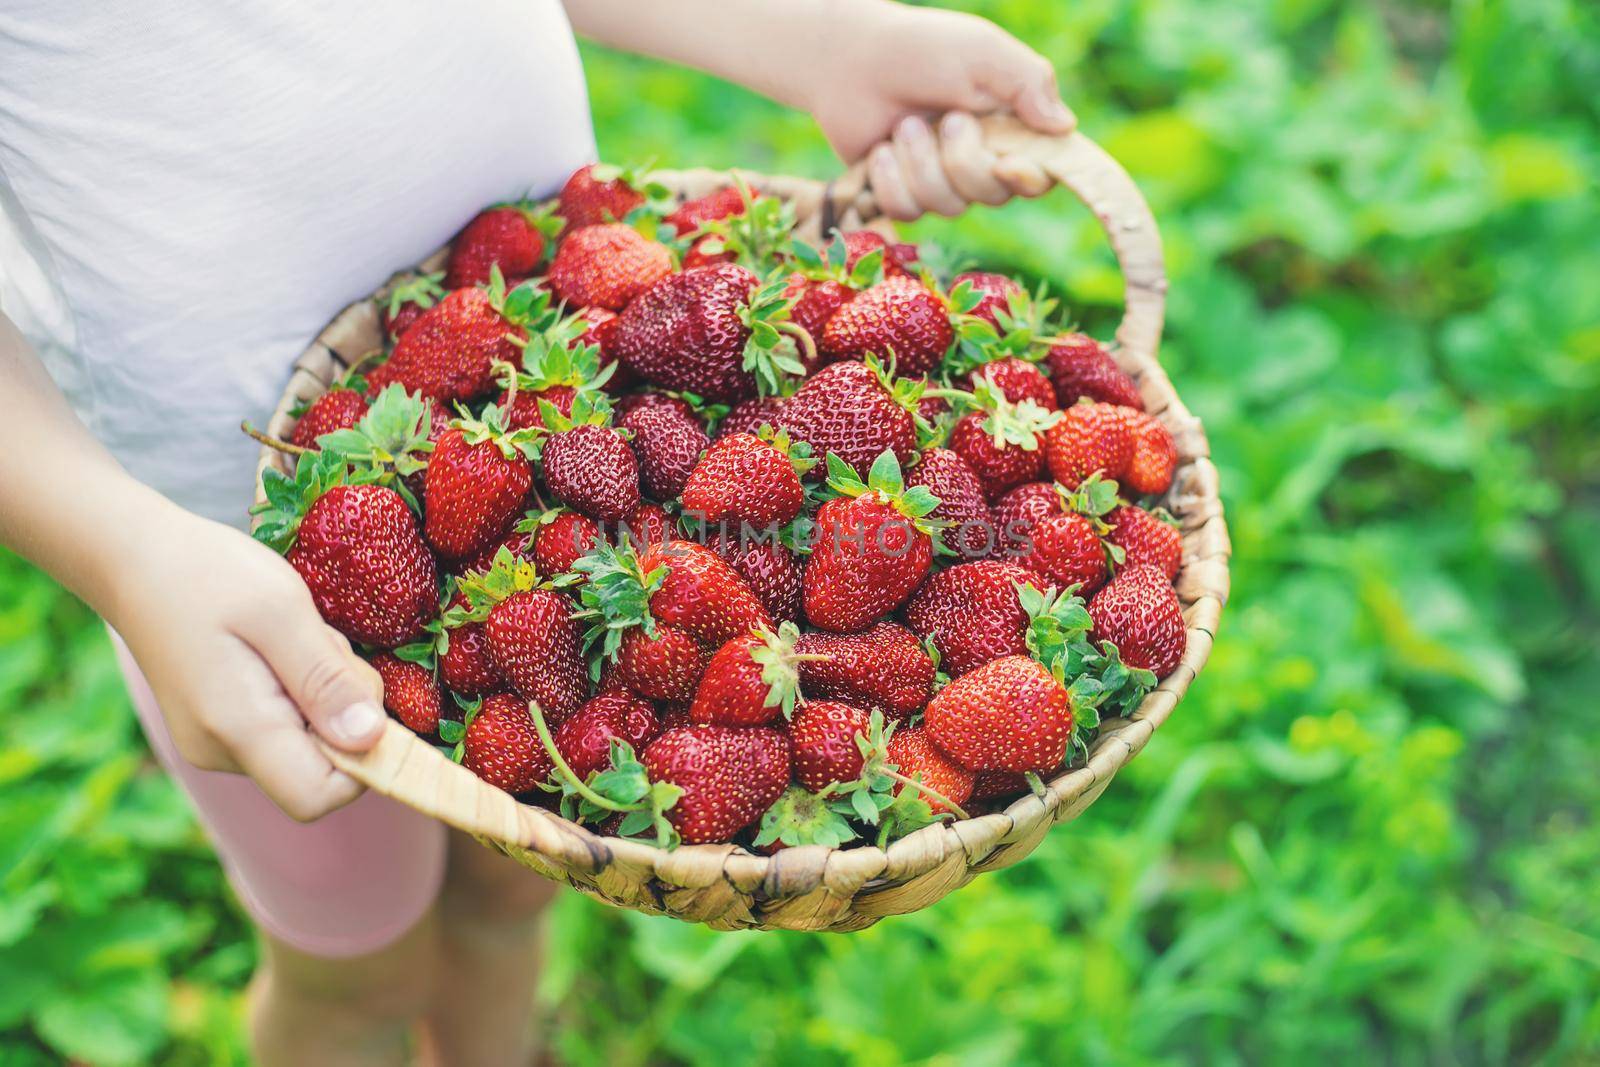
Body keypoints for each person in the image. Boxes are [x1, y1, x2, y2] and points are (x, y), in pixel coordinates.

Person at [0, 1, 1074, 1063]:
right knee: (353, 969)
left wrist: (825, 41)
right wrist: (122, 547)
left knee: (519, 877)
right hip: (219, 572)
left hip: (566, 350)